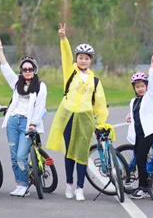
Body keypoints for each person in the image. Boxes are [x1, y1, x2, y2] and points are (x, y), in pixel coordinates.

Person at [47, 23, 109, 202]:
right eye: (80, 57)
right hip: (68, 117)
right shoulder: (71, 72)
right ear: (77, 58)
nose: (83, 61)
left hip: (85, 119)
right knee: (69, 152)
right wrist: (63, 39)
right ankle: (69, 184)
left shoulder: (95, 81)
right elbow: (66, 56)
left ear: (91, 60)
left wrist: (102, 123)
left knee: (82, 154)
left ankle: (80, 188)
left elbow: (100, 104)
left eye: (86, 58)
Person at [0, 36, 48, 198]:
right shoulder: (17, 82)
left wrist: (33, 124)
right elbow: (5, 69)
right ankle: (19, 184)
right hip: (13, 121)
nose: (27, 71)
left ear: (34, 70)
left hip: (27, 123)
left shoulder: (40, 86)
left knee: (21, 156)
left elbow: (40, 107)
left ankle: (24, 184)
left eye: (30, 69)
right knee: (13, 157)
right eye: (24, 69)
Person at [125, 49, 153, 199]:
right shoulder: (133, 101)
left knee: (140, 157)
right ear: (134, 88)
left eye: (142, 86)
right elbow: (136, 113)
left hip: (148, 131)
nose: (140, 89)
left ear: (146, 86)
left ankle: (144, 188)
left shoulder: (150, 96)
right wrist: (130, 117)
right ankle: (144, 183)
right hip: (138, 133)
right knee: (140, 156)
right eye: (137, 87)